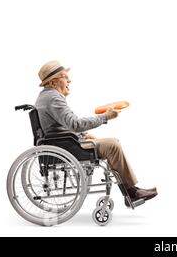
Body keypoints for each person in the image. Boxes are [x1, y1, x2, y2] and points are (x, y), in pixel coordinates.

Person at [35, 60, 157, 207]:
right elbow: (75, 124)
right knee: (112, 144)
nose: (69, 80)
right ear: (54, 82)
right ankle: (131, 192)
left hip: (64, 142)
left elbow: (63, 126)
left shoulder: (46, 97)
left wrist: (84, 135)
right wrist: (105, 117)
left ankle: (131, 191)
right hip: (66, 147)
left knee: (110, 143)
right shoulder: (54, 97)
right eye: (65, 77)